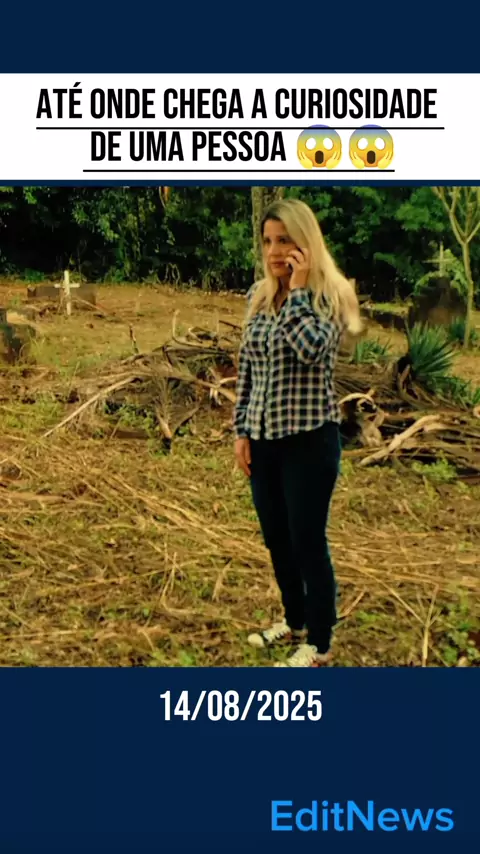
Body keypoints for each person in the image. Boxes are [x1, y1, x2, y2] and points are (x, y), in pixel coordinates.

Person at [233, 198, 362, 667]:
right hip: (263, 439)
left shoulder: (331, 297)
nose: (273, 251)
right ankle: (295, 619)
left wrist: (301, 291)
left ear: (305, 244)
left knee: (307, 540)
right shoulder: (259, 295)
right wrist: (241, 430)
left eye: (284, 241)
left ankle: (320, 642)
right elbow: (248, 368)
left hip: (309, 441)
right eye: (268, 241)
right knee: (277, 538)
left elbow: (311, 351)